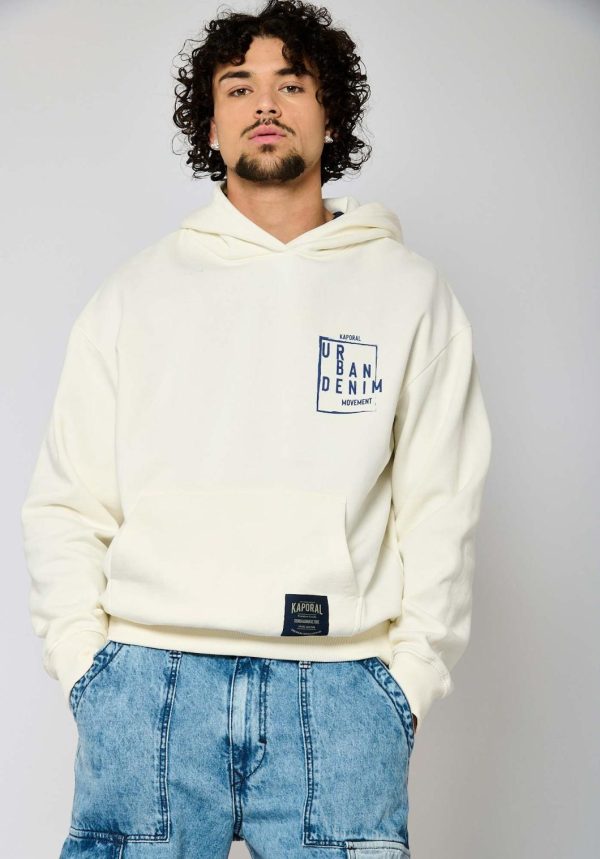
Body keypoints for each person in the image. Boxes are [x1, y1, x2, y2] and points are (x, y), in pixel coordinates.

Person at [20, 1, 492, 856]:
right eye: (239, 87)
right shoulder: (134, 294)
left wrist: (408, 684)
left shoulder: (410, 292)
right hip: (149, 685)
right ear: (210, 122)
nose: (265, 103)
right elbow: (68, 502)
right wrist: (89, 669)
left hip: (340, 693)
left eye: (291, 83)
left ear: (330, 113)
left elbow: (441, 504)